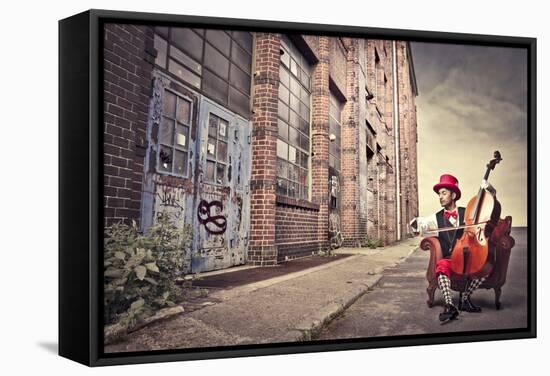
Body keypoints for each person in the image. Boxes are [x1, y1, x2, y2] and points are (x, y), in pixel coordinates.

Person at [410, 174, 486, 323]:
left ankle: (464, 299)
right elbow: (422, 223)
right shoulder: (436, 218)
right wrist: (415, 223)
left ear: (454, 194)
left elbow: (480, 225)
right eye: (439, 194)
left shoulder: (468, 213)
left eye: (444, 193)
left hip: (468, 258)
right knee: (442, 266)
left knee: (486, 267)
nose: (440, 197)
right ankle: (450, 305)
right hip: (450, 259)